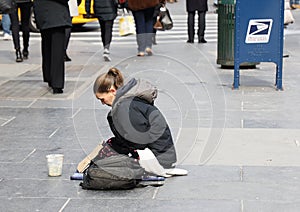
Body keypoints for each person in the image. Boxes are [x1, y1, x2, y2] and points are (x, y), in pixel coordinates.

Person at [93, 68, 177, 170]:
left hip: (158, 160)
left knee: (110, 160)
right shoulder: (126, 103)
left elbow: (139, 142)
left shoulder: (125, 107)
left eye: (102, 99)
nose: (102, 103)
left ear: (112, 91)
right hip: (162, 156)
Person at [33, 0, 72, 94]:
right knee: (57, 50)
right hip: (57, 13)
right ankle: (56, 83)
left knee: (47, 46)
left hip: (42, 11)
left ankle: (49, 76)